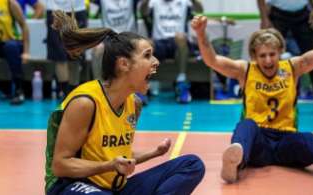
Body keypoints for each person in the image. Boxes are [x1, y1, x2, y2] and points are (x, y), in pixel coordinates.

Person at [45, 10, 205, 195]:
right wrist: (109, 165)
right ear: (124, 64)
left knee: (192, 165)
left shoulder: (134, 104)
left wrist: (154, 153)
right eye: (147, 56)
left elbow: (118, 157)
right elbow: (61, 165)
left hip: (114, 188)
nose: (156, 62)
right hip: (71, 186)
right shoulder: (85, 103)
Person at [191, 4, 313, 183]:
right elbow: (211, 60)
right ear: (254, 56)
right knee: (246, 125)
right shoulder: (245, 70)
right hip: (258, 141)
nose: (268, 60)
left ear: (280, 53)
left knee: (308, 139)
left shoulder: (292, 67)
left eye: (272, 54)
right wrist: (200, 33)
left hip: (287, 139)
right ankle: (236, 162)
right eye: (262, 55)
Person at [257, 0, 313, 111]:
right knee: (269, 56)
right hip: (277, 14)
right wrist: (264, 18)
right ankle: (266, 99)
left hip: (303, 13)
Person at [140, 0, 203, 104]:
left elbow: (199, 10)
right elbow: (143, 12)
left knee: (181, 37)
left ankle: (181, 81)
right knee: (147, 43)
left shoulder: (184, 2)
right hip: (159, 42)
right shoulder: (154, 2)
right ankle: (143, 84)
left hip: (177, 43)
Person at [46, 0, 88, 98]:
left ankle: (74, 93)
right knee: (59, 54)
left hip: (77, 8)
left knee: (76, 53)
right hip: (55, 8)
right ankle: (66, 94)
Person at [0, 0, 30, 105]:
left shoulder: (9, 3)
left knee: (10, 47)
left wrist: (26, 52)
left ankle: (19, 90)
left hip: (11, 42)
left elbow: (24, 25)